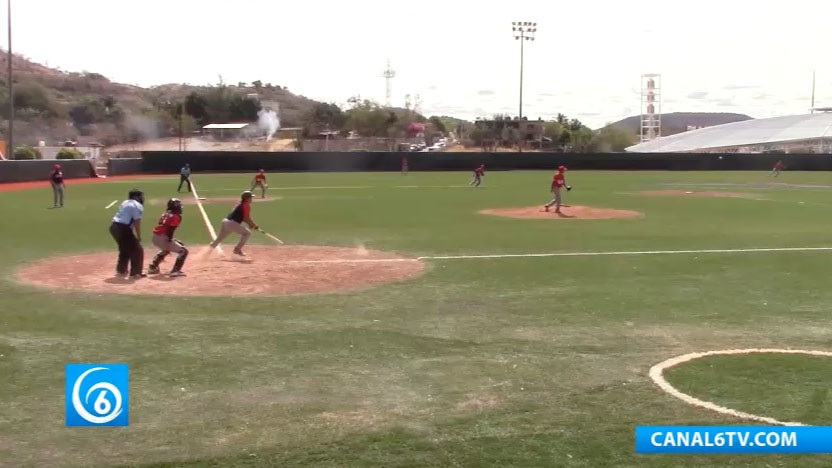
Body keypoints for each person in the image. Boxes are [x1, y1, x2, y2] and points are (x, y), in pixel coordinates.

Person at [110, 188, 146, 279]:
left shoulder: (125, 202)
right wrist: (138, 236)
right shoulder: (137, 205)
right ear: (136, 197)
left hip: (113, 227)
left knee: (124, 248)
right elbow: (137, 222)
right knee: (137, 250)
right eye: (140, 196)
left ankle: (121, 269)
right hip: (123, 228)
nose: (141, 198)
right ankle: (136, 273)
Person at [147, 198, 188, 277]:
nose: (180, 207)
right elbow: (171, 229)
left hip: (155, 237)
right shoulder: (176, 216)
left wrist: (171, 240)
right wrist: (170, 239)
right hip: (162, 237)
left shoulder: (165, 214)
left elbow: (161, 224)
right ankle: (175, 271)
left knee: (166, 249)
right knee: (183, 251)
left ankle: (153, 267)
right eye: (179, 206)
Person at [209, 191, 259, 256]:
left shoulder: (239, 204)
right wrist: (253, 225)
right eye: (251, 197)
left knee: (220, 238)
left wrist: (251, 224)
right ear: (247, 198)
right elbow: (246, 218)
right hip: (231, 223)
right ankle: (237, 249)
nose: (252, 199)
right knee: (247, 233)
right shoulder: (246, 205)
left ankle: (207, 253)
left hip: (225, 221)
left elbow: (243, 217)